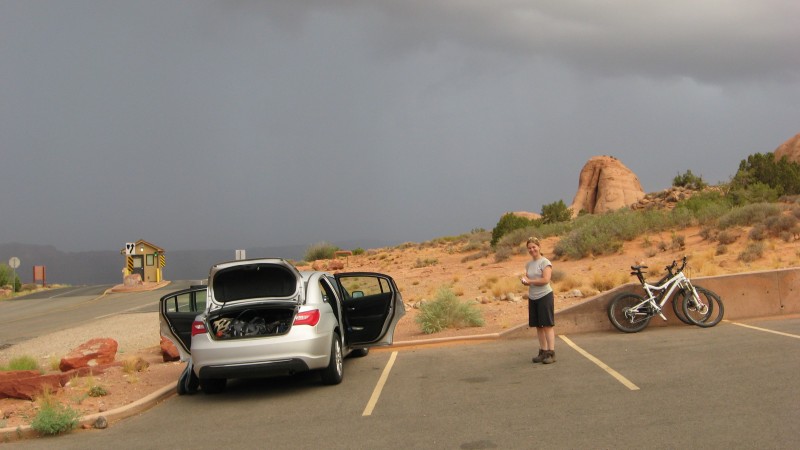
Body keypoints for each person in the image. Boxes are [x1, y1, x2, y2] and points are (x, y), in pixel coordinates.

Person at [521, 237, 556, 364]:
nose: (532, 250)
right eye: (529, 248)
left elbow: (546, 280)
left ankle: (551, 353)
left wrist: (530, 281)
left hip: (545, 296)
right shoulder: (529, 264)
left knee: (547, 325)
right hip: (533, 297)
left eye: (534, 247)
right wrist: (525, 280)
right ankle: (543, 351)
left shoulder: (545, 262)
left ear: (539, 247)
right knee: (538, 326)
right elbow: (528, 277)